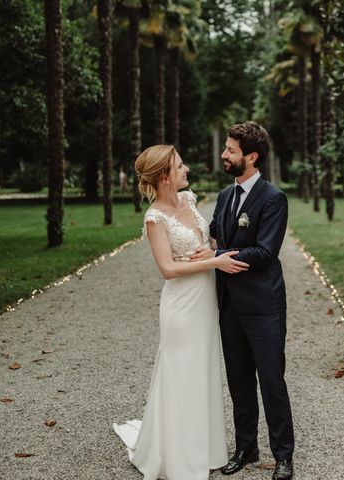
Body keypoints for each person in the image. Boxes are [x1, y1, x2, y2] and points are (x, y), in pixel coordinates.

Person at [113, 144, 249, 480]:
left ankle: (204, 449)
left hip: (204, 303)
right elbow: (168, 269)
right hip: (181, 306)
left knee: (202, 372)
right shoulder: (154, 218)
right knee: (181, 375)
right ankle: (178, 457)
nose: (186, 169)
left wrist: (212, 250)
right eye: (180, 165)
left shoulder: (189, 201)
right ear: (164, 176)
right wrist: (216, 262)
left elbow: (206, 243)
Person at [192, 121, 295, 480]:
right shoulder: (224, 196)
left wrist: (222, 257)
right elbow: (215, 235)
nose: (224, 154)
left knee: (271, 380)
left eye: (231, 150)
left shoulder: (273, 198)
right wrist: (204, 252)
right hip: (229, 304)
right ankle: (246, 448)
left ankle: (283, 456)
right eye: (226, 148)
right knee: (238, 380)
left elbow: (266, 251)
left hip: (263, 305)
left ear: (251, 157)